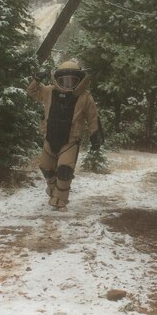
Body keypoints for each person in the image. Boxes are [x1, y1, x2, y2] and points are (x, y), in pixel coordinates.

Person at [27, 60, 102, 210]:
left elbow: (93, 117)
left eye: (72, 80)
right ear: (58, 79)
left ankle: (60, 200)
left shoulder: (84, 97)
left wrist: (95, 136)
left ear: (79, 80)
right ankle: (54, 189)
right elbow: (31, 91)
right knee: (46, 167)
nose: (68, 84)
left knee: (65, 170)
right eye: (64, 80)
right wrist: (36, 79)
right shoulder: (49, 91)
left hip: (70, 141)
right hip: (49, 138)